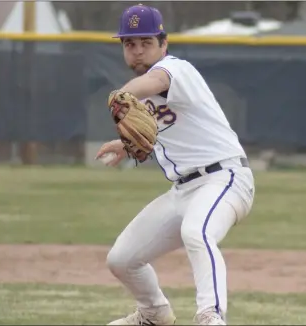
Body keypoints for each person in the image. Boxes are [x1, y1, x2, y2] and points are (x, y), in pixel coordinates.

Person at [96, 4, 255, 325]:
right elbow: (156, 128)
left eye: (146, 42)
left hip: (225, 178)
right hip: (183, 190)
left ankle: (211, 315)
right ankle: (154, 313)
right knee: (122, 259)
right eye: (130, 44)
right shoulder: (140, 95)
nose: (138, 51)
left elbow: (155, 82)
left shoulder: (176, 69)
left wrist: (120, 95)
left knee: (196, 232)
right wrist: (126, 145)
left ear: (163, 44)